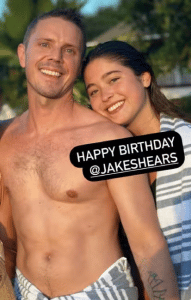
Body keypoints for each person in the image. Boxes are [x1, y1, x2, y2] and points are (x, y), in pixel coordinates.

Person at [0, 9, 180, 300]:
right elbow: (6, 241)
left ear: (78, 64)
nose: (55, 57)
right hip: (27, 292)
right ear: (23, 54)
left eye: (68, 50)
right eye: (44, 44)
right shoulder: (5, 140)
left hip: (101, 291)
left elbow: (147, 244)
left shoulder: (108, 139)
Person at [82, 40, 191, 300]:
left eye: (113, 80)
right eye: (94, 91)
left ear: (144, 78)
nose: (105, 95)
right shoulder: (106, 163)